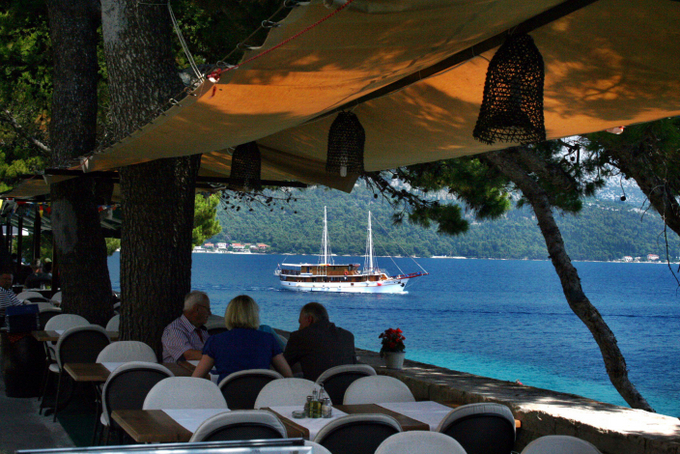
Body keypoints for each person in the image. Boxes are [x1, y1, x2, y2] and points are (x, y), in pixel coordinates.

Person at [192, 295, 292, 383]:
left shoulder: (216, 341)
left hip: (228, 398)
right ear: (254, 315)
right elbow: (288, 375)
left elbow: (196, 378)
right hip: (261, 398)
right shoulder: (268, 339)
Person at [284, 302, 356, 381]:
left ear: (309, 319)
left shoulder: (300, 336)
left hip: (317, 389)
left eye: (300, 323)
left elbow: (284, 364)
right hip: (348, 387)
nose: (299, 327)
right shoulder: (348, 336)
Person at [161, 290, 212, 363]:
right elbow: (188, 355)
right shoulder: (174, 329)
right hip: (181, 373)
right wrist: (217, 355)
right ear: (196, 309)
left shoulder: (201, 330)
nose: (210, 313)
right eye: (207, 309)